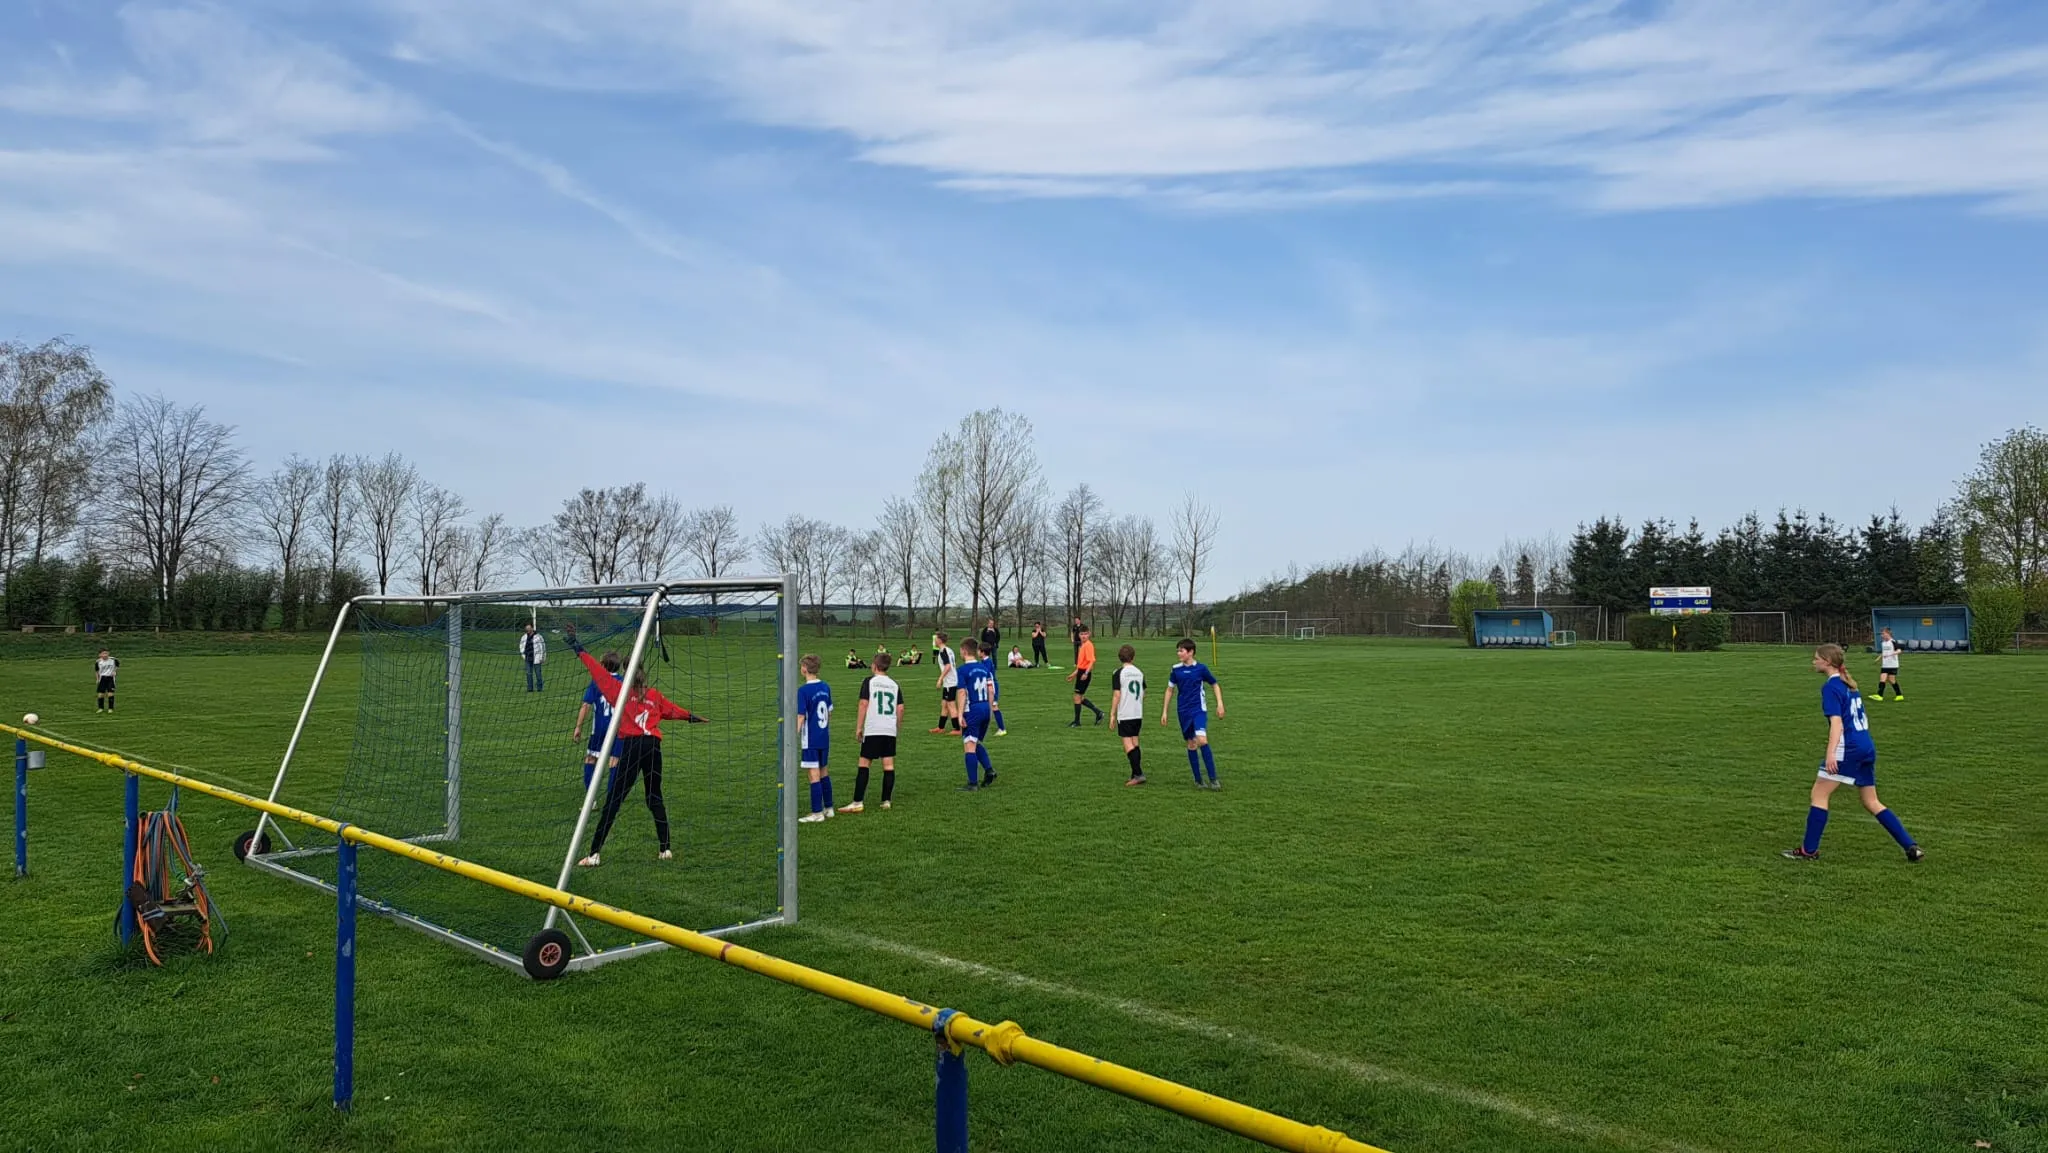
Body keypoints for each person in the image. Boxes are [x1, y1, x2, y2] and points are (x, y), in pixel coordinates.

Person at [564, 625, 705, 868]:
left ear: (626, 672)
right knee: (654, 796)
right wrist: (693, 717)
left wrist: (577, 647)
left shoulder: (618, 690)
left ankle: (594, 854)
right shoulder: (654, 695)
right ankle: (665, 849)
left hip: (632, 746)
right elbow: (674, 711)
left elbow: (595, 669)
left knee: (614, 800)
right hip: (653, 747)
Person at [1783, 644, 1923, 863]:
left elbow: (1837, 724)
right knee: (1871, 801)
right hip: (1866, 745)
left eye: (1816, 658)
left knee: (1819, 794)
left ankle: (1808, 851)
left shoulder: (1831, 687)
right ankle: (1910, 846)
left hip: (1848, 748)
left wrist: (1831, 754)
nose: (1813, 661)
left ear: (1827, 662)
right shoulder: (1849, 684)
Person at [1161, 638, 1224, 789]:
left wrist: (1220, 703)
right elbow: (1169, 690)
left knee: (1202, 740)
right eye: (1178, 650)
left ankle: (1213, 779)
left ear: (1190, 652)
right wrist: (1164, 711)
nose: (1178, 653)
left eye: (1181, 650)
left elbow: (1214, 684)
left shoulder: (1201, 669)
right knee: (1191, 743)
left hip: (1198, 709)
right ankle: (1198, 780)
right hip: (1183, 711)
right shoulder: (1176, 669)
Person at [843, 652, 903, 813]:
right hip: (889, 729)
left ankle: (857, 802)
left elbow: (863, 704)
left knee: (864, 763)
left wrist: (859, 727)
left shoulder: (869, 681)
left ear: (875, 666)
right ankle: (886, 801)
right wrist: (896, 727)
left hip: (873, 728)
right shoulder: (894, 684)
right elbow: (900, 708)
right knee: (888, 765)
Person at [572, 650, 624, 791]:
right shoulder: (624, 683)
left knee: (591, 758)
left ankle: (591, 797)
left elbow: (586, 705)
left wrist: (578, 727)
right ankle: (611, 797)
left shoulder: (597, 682)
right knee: (614, 761)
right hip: (618, 730)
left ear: (602, 665)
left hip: (600, 729)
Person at [955, 639, 998, 790]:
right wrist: (990, 710)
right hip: (985, 707)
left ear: (964, 651)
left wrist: (960, 714)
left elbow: (962, 693)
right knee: (976, 742)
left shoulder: (962, 670)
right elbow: (991, 690)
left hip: (972, 709)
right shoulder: (984, 668)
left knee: (969, 745)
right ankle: (989, 770)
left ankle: (972, 783)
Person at [797, 655, 835, 823]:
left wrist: (793, 736)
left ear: (804, 669)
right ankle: (829, 808)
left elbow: (801, 716)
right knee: (824, 771)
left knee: (814, 775)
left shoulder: (803, 691)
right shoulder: (825, 686)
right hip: (823, 737)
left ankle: (817, 813)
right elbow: (829, 711)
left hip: (810, 739)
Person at [1110, 644, 1147, 785]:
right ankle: (1134, 773)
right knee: (1135, 741)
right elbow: (1143, 693)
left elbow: (1117, 695)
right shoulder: (1139, 672)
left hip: (1125, 713)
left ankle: (1138, 774)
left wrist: (1112, 714)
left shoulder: (1118, 673)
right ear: (1133, 657)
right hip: (1137, 712)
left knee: (1127, 743)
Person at [1065, 627, 1105, 726]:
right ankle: (1098, 713)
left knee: (1077, 697)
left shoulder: (1088, 645)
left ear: (1089, 634)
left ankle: (1077, 721)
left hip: (1084, 673)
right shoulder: (1083, 645)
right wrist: (1074, 674)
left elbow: (1091, 661)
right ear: (1079, 635)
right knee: (1080, 697)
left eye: (1085, 634)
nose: (1083, 636)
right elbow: (1082, 663)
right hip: (1081, 672)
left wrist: (1086, 673)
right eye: (1082, 634)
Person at [929, 631, 960, 734]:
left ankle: (957, 729)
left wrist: (940, 679)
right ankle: (941, 727)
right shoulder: (949, 650)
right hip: (950, 681)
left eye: (936, 639)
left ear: (939, 640)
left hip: (950, 682)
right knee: (944, 704)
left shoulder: (943, 651)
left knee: (951, 704)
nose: (934, 640)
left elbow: (948, 666)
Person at [1873, 627, 1904, 702]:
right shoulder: (1883, 643)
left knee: (1886, 679)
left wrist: (1891, 654)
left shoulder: (1893, 642)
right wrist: (1879, 658)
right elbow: (1884, 652)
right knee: (1889, 680)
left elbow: (1899, 651)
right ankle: (1899, 695)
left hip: (1893, 665)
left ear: (1888, 634)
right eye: (1881, 634)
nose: (1882, 635)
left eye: (1883, 633)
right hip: (1885, 664)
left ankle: (1880, 695)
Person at [519, 621, 546, 692]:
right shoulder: (524, 637)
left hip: (537, 657)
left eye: (529, 628)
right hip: (528, 657)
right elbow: (521, 646)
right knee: (528, 673)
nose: (527, 630)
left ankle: (539, 688)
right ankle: (530, 688)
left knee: (538, 674)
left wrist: (542, 657)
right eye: (526, 629)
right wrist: (523, 655)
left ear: (532, 628)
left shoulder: (539, 637)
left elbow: (543, 647)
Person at [94, 648, 119, 713]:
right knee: (100, 695)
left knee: (110, 694)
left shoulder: (113, 660)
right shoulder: (98, 662)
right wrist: (97, 679)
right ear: (100, 655)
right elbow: (96, 671)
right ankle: (100, 708)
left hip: (110, 678)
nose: (105, 655)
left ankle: (110, 708)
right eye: (103, 653)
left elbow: (117, 665)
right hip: (102, 678)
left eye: (106, 653)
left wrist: (115, 671)